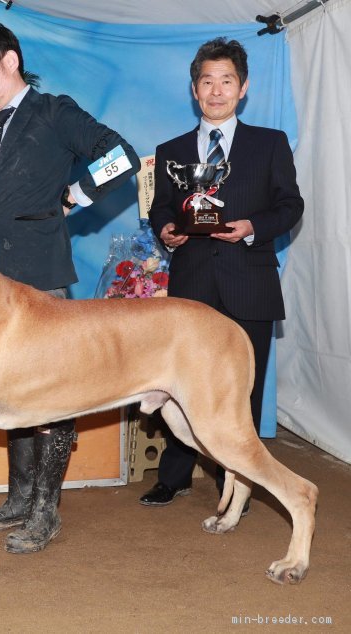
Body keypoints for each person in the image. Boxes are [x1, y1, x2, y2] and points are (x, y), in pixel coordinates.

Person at [0, 23, 140, 554]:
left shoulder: (55, 111)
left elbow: (122, 155)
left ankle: (47, 507)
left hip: (40, 276)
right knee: (3, 393)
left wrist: (76, 193)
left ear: (10, 61)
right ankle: (19, 496)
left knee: (55, 393)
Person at [140, 37, 303, 507]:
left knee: (243, 390)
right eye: (207, 81)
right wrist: (167, 229)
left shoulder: (269, 144)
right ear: (195, 90)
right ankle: (173, 476)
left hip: (249, 282)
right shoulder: (170, 150)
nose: (216, 91)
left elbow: (291, 205)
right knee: (174, 384)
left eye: (226, 81)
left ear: (243, 87)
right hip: (191, 285)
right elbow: (161, 207)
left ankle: (242, 482)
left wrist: (253, 227)